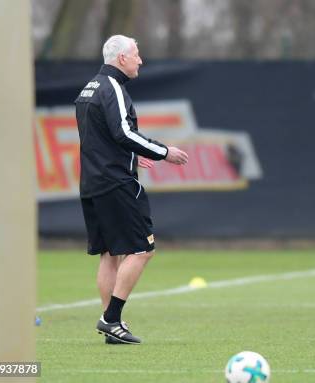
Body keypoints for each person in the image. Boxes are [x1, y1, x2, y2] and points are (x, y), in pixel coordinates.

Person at [75, 34, 188, 344]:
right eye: (137, 55)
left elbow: (98, 137)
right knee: (142, 249)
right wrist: (163, 152)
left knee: (109, 254)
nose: (141, 60)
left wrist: (132, 154)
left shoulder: (90, 88)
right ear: (122, 58)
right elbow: (124, 132)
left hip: (92, 182)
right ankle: (111, 318)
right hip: (116, 183)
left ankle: (112, 323)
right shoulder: (112, 88)